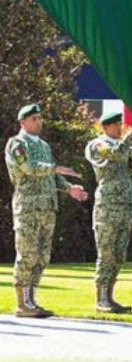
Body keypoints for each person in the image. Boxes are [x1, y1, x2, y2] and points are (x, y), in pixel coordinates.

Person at [6, 103, 88, 318]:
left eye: (40, 118)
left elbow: (52, 176)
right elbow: (28, 167)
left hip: (48, 208)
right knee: (27, 254)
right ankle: (23, 304)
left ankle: (32, 300)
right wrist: (54, 168)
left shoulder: (44, 146)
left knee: (42, 256)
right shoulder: (16, 144)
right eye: (34, 119)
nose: (39, 122)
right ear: (23, 122)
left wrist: (69, 188)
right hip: (28, 208)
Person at [84, 111, 132, 313]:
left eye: (120, 124)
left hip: (125, 205)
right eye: (116, 124)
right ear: (105, 127)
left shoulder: (124, 146)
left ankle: (110, 296)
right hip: (107, 207)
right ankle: (101, 299)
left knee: (119, 255)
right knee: (106, 253)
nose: (120, 127)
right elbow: (116, 153)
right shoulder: (97, 145)